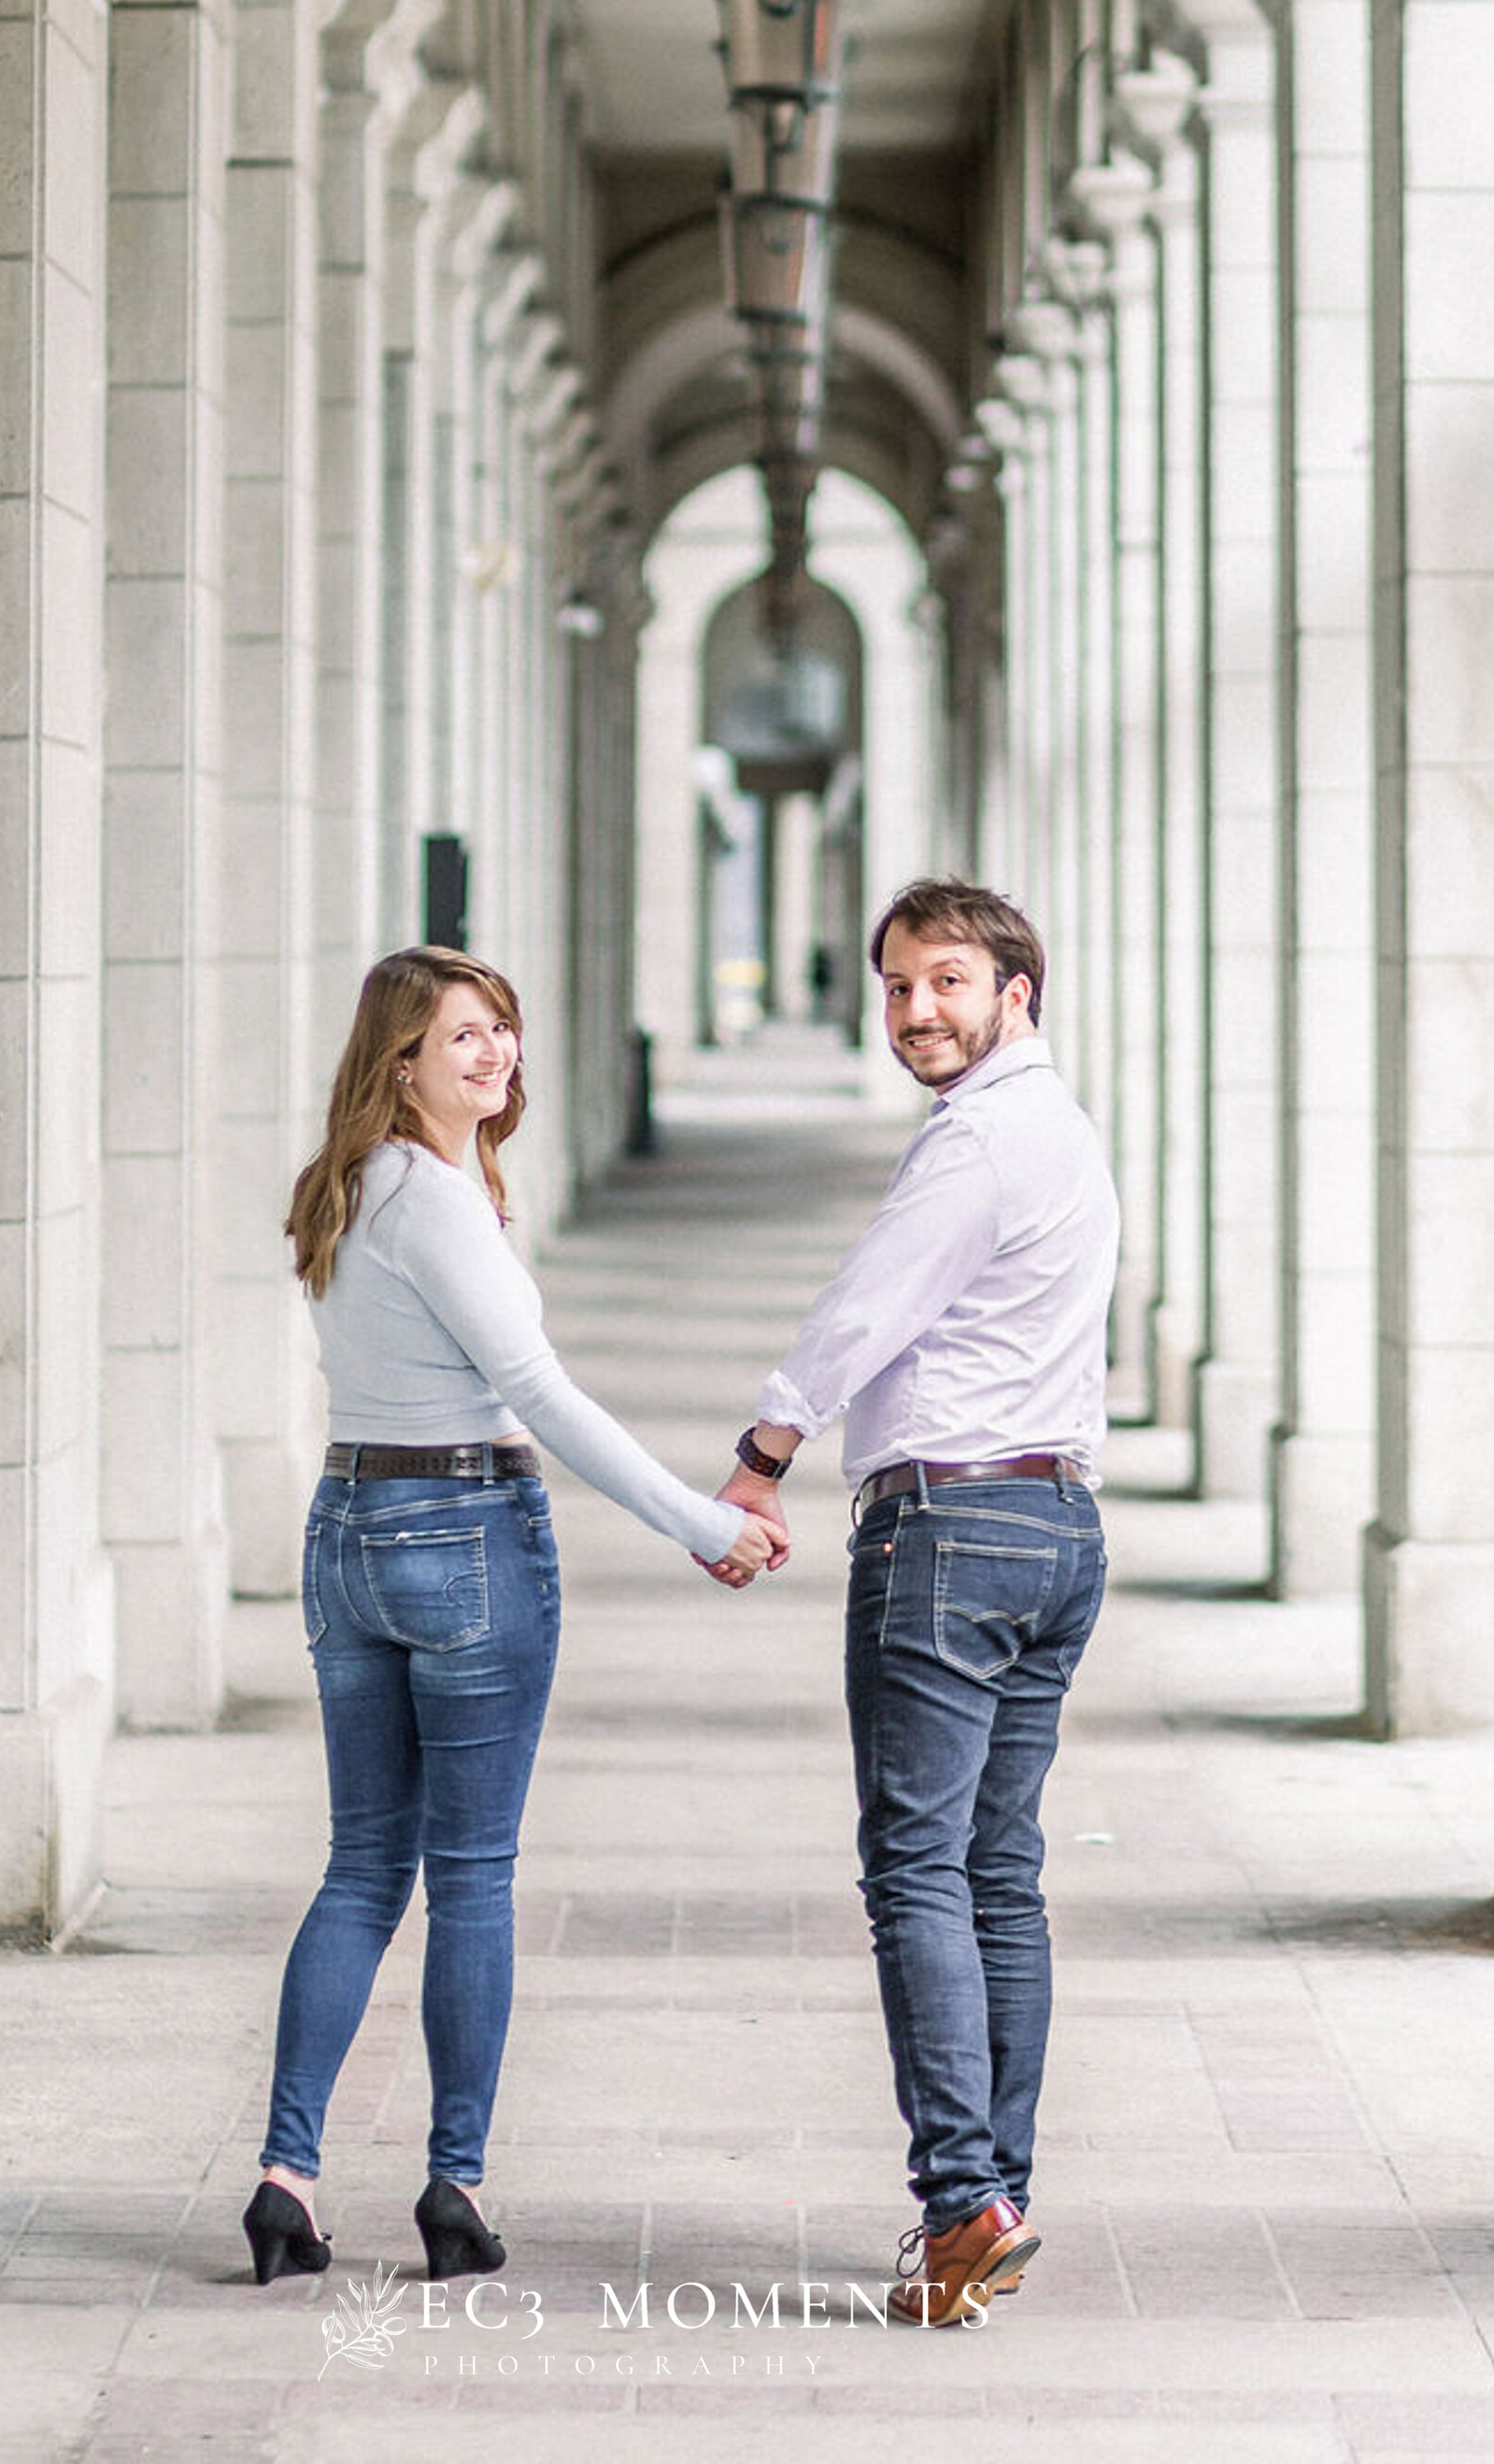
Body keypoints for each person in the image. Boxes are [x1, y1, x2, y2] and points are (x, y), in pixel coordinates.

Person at [246, 946, 775, 2289]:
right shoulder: (433, 1203)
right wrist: (700, 1520)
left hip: (350, 1529)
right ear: (400, 1060)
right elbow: (540, 1396)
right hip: (463, 1536)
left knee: (363, 1865)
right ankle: (455, 2185)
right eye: (459, 1036)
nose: (494, 1054)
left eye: (501, 1030)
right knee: (468, 1871)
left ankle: (286, 2180)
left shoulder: (348, 1188)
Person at [709, 877, 1116, 2329]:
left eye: (947, 980)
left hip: (949, 1529)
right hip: (1055, 1520)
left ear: (1019, 989)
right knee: (995, 1870)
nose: (917, 1011)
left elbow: (867, 1305)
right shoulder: (1059, 1130)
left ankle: (959, 2207)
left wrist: (763, 1451)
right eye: (896, 987)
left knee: (919, 1871)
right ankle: (993, 2197)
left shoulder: (982, 1142)